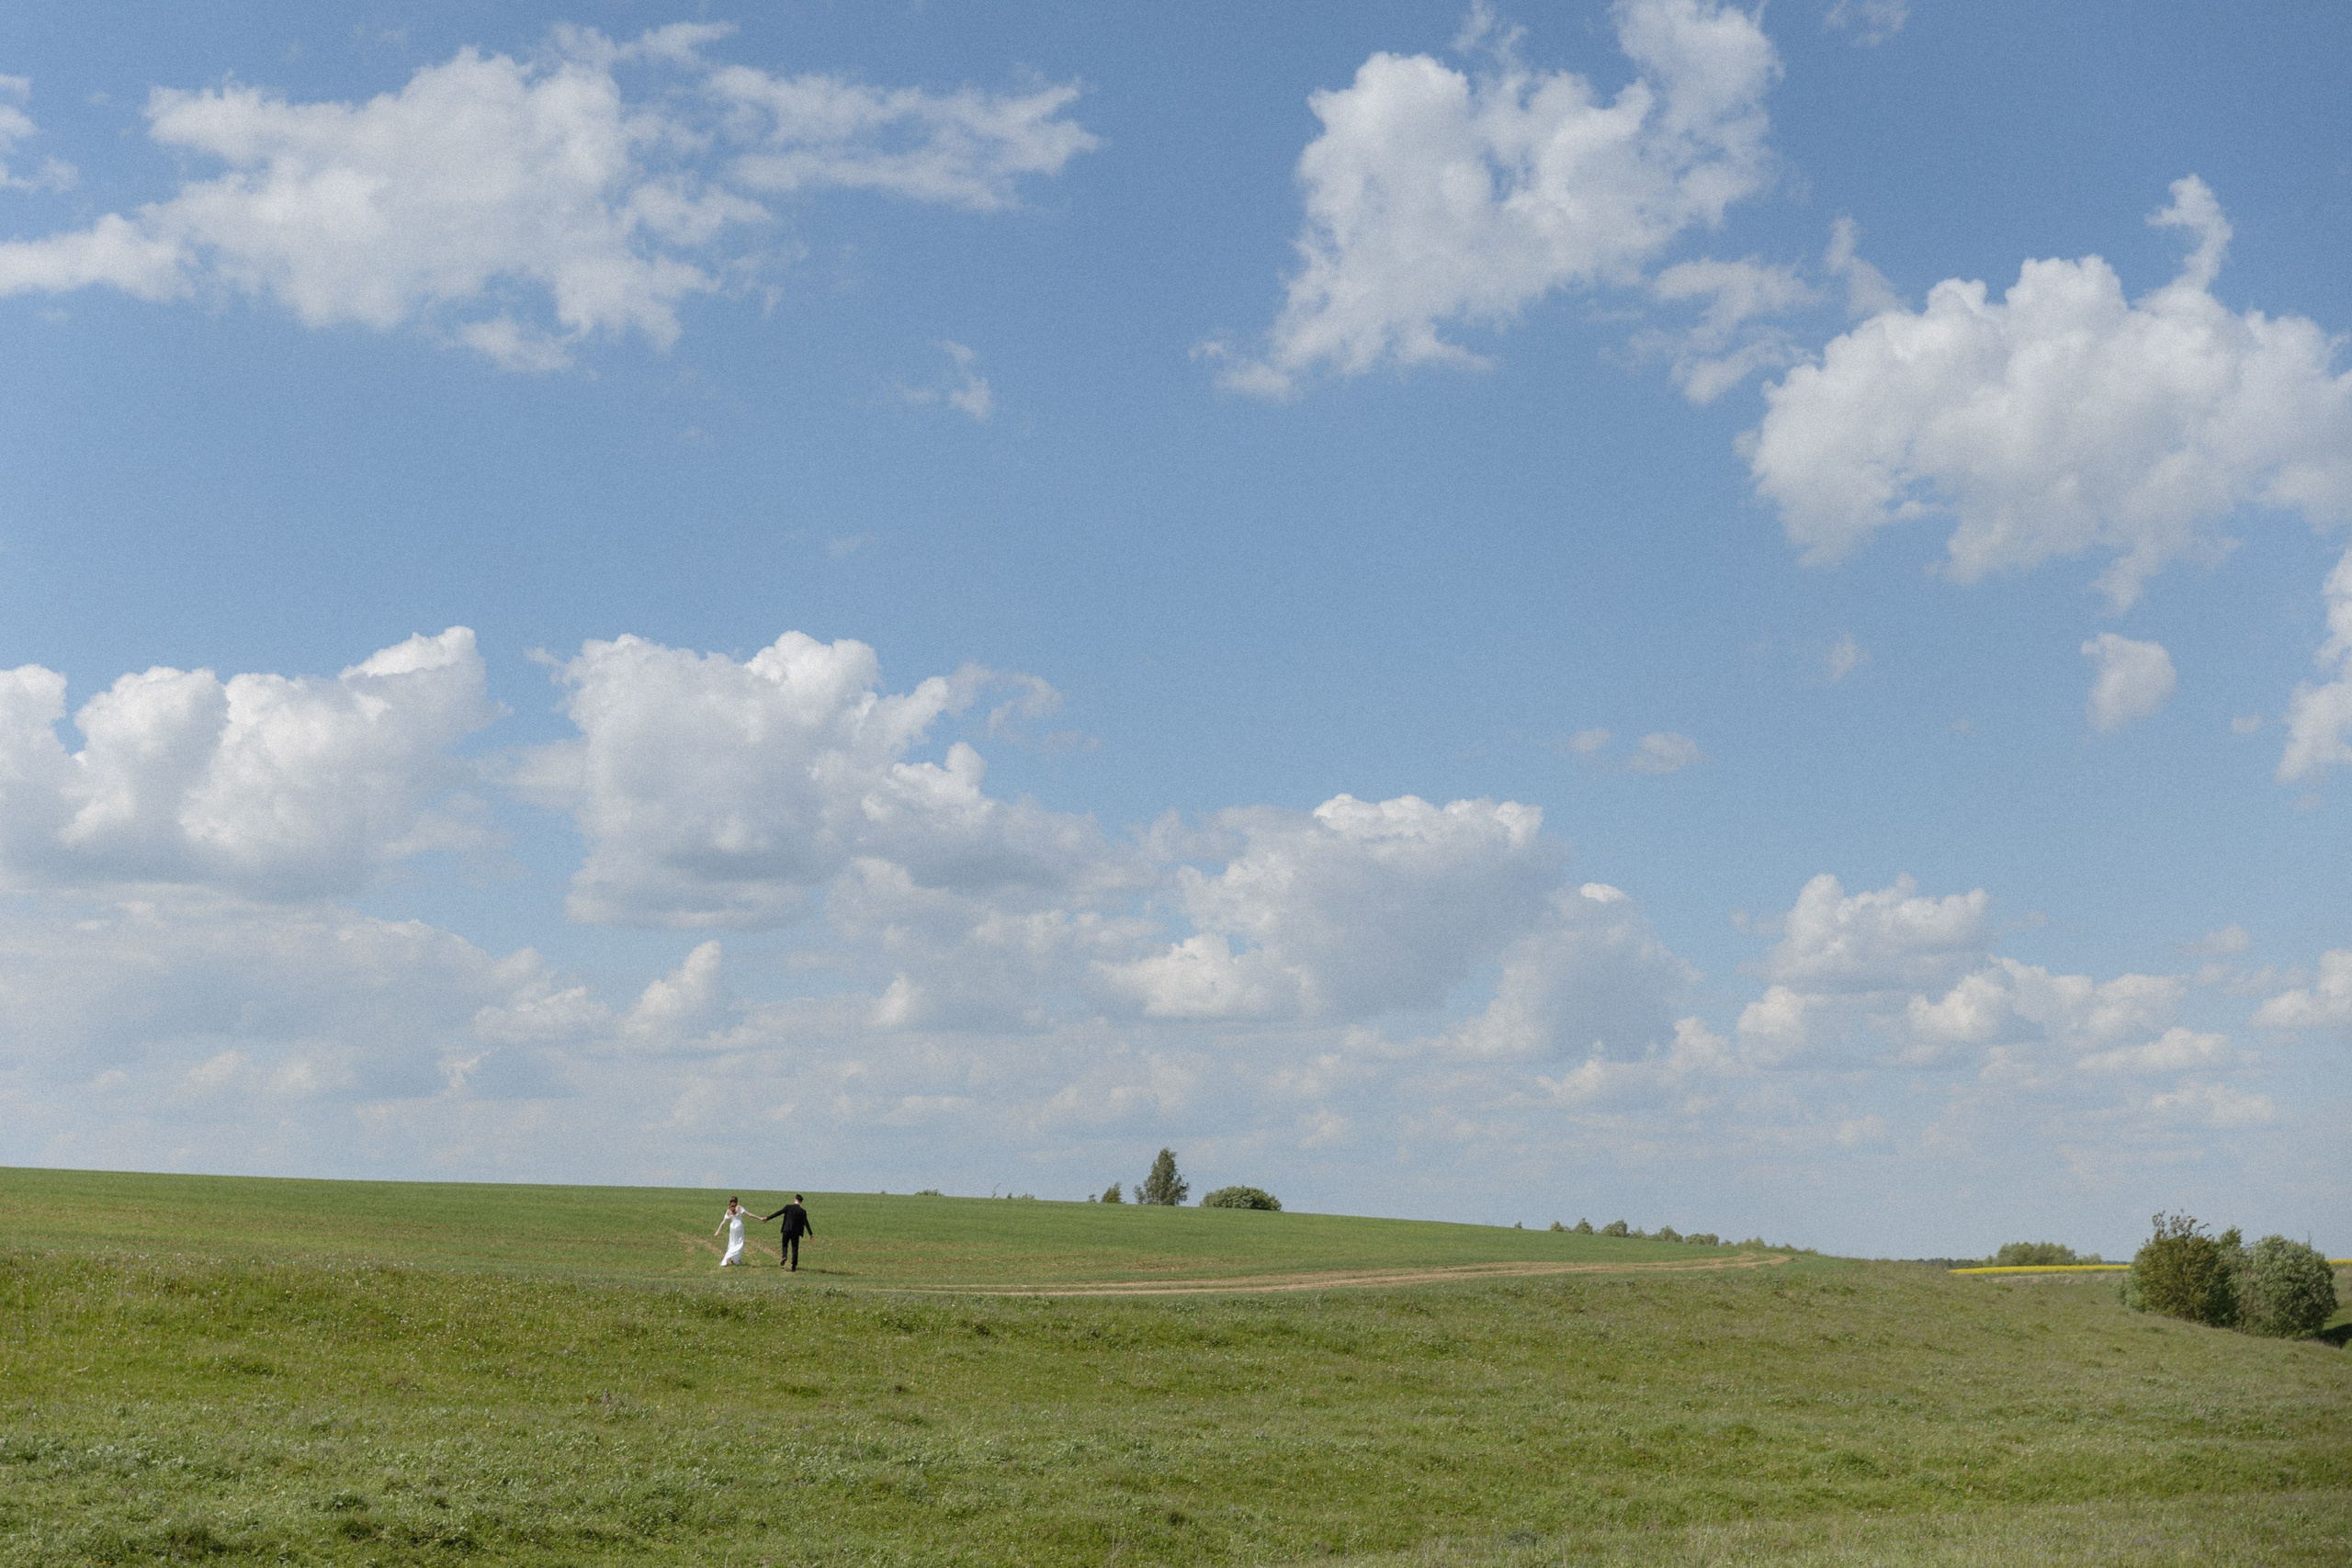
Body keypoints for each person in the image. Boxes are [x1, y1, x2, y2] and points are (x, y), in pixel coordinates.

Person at [763, 1194, 813, 1269]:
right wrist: (811, 1234)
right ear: (801, 1202)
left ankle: (785, 1256)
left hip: (786, 1229)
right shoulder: (802, 1211)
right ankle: (794, 1266)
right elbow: (806, 1222)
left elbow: (778, 1213)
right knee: (795, 1248)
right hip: (796, 1232)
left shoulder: (788, 1207)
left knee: (785, 1245)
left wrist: (768, 1218)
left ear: (794, 1199)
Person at [714, 1197, 749, 1267]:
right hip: (739, 1226)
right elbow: (749, 1214)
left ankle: (735, 1260)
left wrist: (718, 1231)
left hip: (732, 1227)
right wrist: (759, 1218)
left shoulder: (728, 1210)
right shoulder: (739, 1207)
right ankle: (729, 1259)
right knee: (739, 1243)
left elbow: (723, 1222)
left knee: (732, 1242)